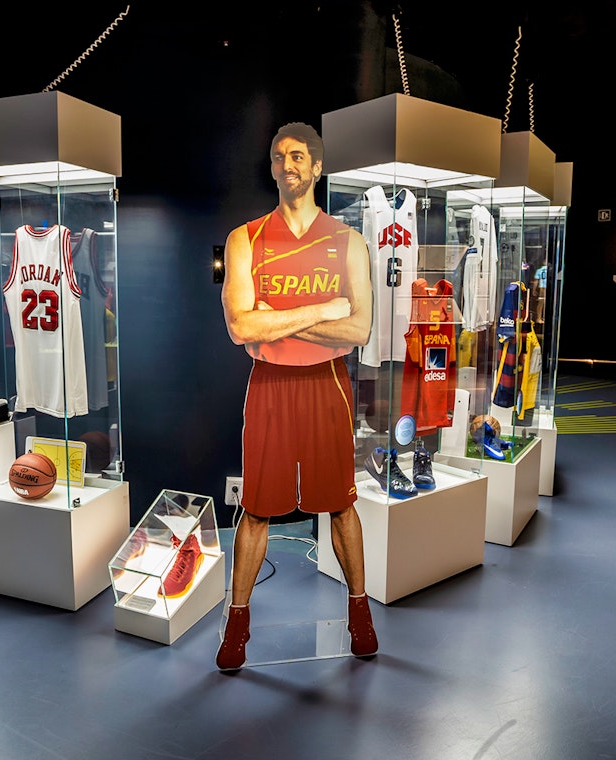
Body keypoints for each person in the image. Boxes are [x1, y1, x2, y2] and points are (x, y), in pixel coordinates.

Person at [217, 122, 376, 671]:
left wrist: (274, 322)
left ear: (317, 167)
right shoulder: (246, 238)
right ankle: (237, 621)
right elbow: (240, 327)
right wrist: (321, 310)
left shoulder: (348, 241)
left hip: (326, 384)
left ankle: (359, 611)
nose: (289, 164)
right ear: (272, 168)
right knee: (256, 509)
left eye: (300, 156)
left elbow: (359, 332)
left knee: (341, 503)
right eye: (280, 156)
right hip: (270, 386)